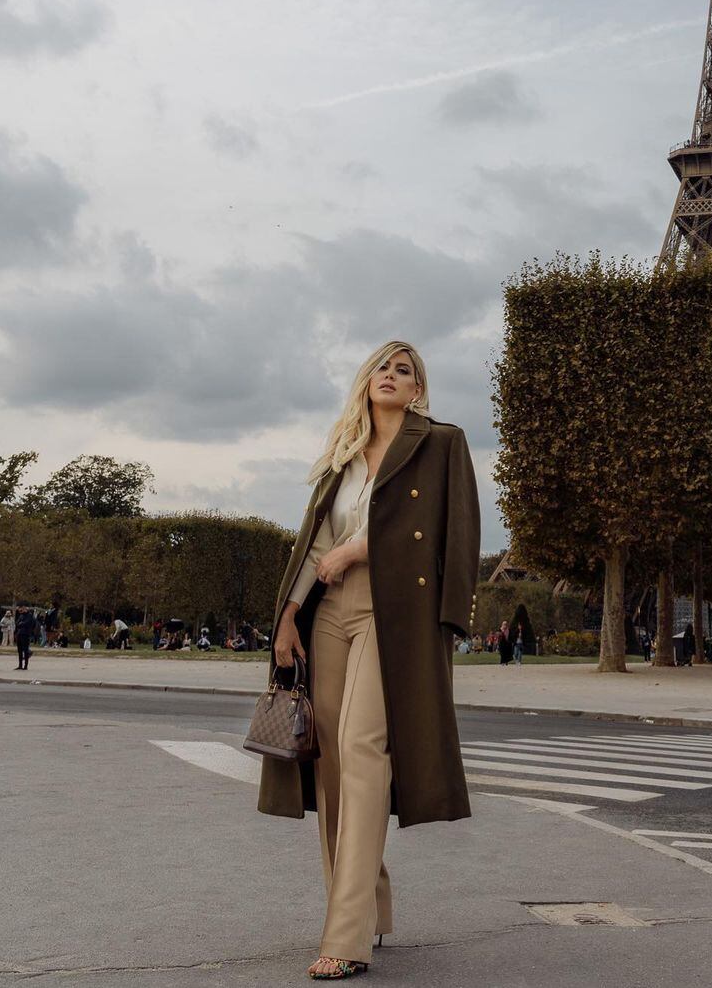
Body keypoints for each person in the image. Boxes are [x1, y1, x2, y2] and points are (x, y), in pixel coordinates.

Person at [262, 339, 480, 980]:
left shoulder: (442, 442)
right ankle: (371, 903)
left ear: (418, 390)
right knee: (330, 764)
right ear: (365, 382)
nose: (391, 375)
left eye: (404, 369)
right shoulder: (343, 456)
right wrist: (286, 619)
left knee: (361, 749)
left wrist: (365, 555)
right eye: (382, 366)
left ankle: (347, 936)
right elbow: (315, 546)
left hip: (397, 612)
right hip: (328, 614)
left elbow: (457, 531)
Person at [14, 606, 36, 670]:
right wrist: (20, 624)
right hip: (19, 633)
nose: (21, 610)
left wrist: (21, 624)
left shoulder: (29, 615)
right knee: (19, 650)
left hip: (26, 634)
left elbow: (27, 623)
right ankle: (20, 665)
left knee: (25, 650)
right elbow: (17, 623)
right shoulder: (21, 616)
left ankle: (25, 665)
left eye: (23, 609)